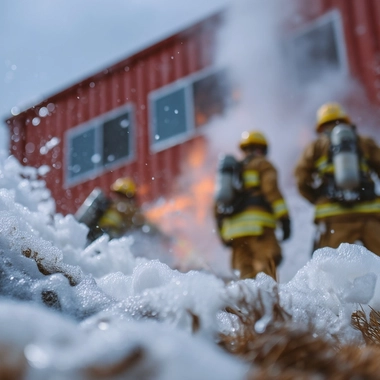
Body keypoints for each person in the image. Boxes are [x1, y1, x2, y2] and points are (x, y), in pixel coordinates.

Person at [294, 102, 380, 255]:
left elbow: (301, 179)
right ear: (345, 120)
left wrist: (318, 198)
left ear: (321, 126)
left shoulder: (316, 146)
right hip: (370, 214)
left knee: (331, 268)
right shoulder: (364, 142)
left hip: (333, 216)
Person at [214, 130, 291, 280]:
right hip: (260, 230)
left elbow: (217, 206)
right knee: (265, 275)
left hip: (236, 234)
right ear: (262, 149)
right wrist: (285, 219)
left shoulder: (232, 171)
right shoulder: (262, 164)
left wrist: (223, 235)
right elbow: (272, 191)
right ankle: (266, 303)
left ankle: (248, 303)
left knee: (245, 276)